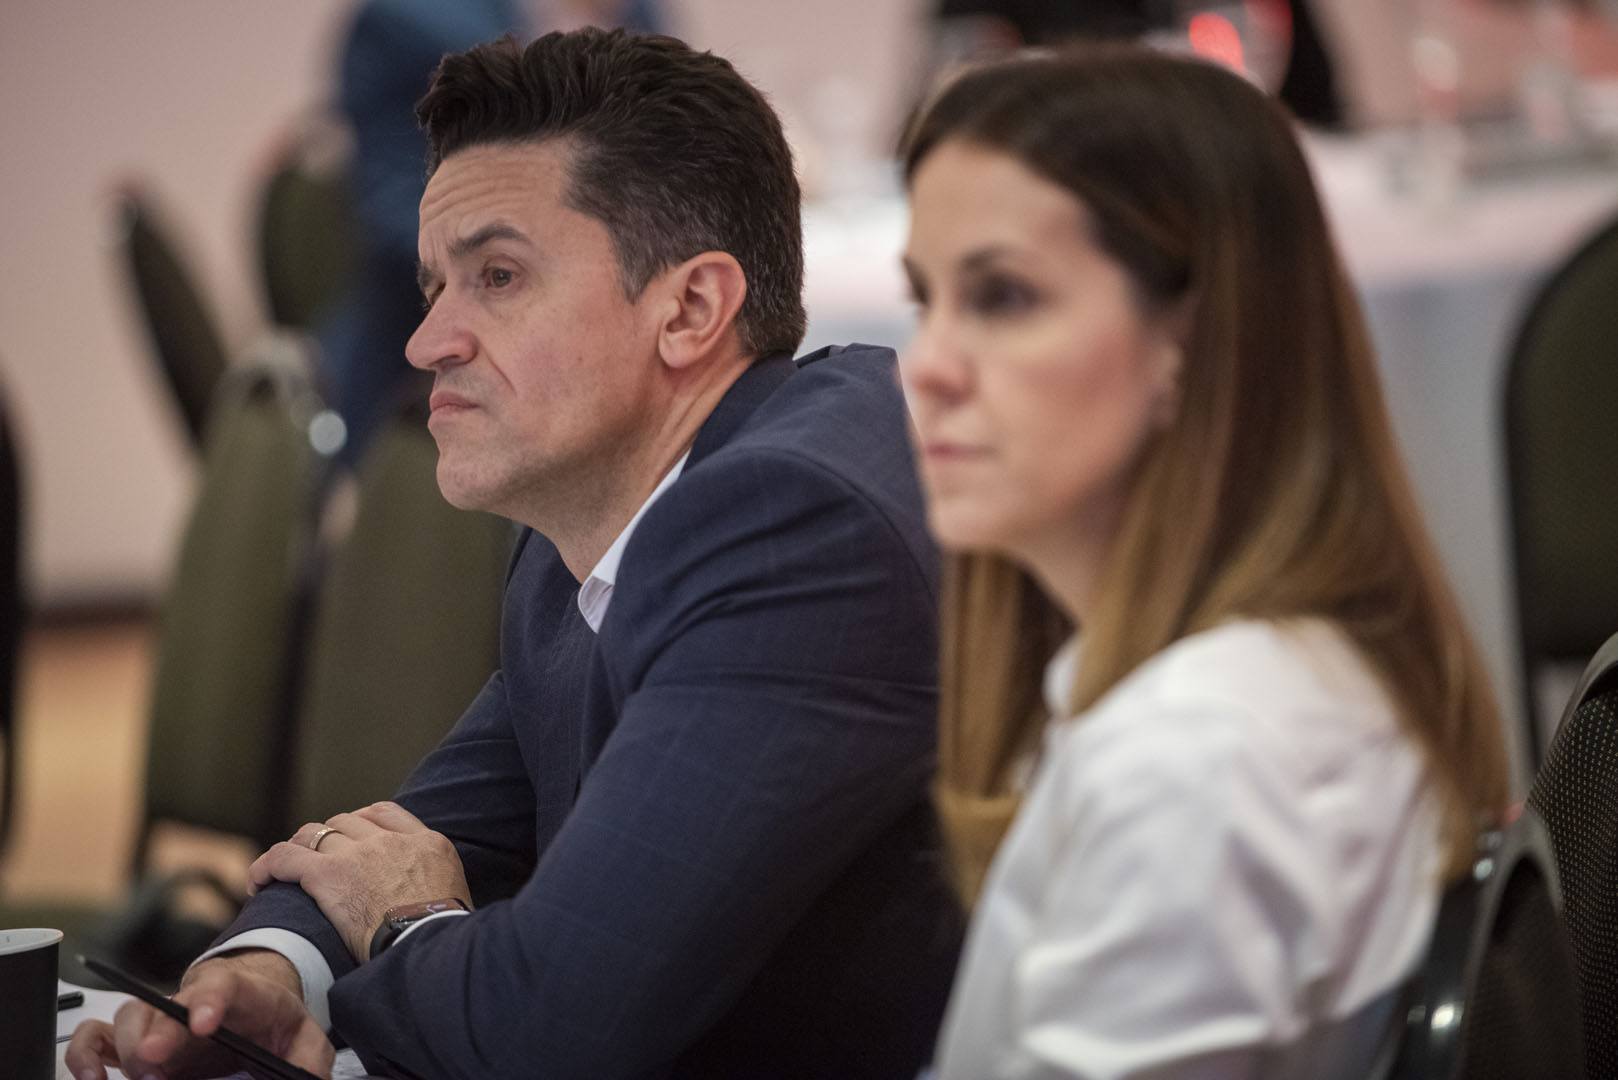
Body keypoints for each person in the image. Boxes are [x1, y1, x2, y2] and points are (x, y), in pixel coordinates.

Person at [69, 29, 961, 1080]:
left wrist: (407, 924)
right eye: (434, 286)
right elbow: (426, 832)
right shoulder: (598, 518)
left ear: (689, 309)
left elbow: (549, 1029)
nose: (427, 342)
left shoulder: (790, 532)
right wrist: (270, 975)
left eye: (496, 276)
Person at [898, 46, 1510, 1077]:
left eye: (1002, 297)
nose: (928, 366)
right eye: (925, 301)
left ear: (1192, 337)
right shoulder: (1255, 679)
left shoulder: (1196, 761)